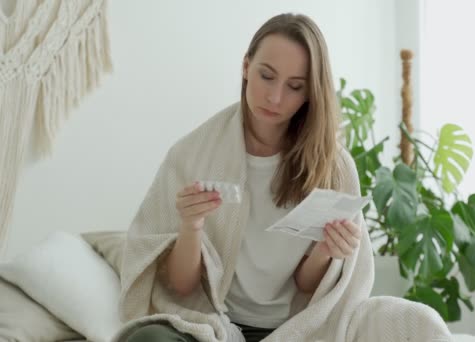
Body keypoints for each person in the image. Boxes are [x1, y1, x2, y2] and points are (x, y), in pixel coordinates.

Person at [124, 13, 363, 342]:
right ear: (246, 67)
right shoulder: (192, 155)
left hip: (297, 328)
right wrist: (191, 226)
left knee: (411, 320)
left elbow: (309, 287)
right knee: (148, 338)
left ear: (310, 93)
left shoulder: (332, 167)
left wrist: (325, 249)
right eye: (266, 76)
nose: (275, 97)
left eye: (294, 86)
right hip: (214, 323)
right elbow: (181, 287)